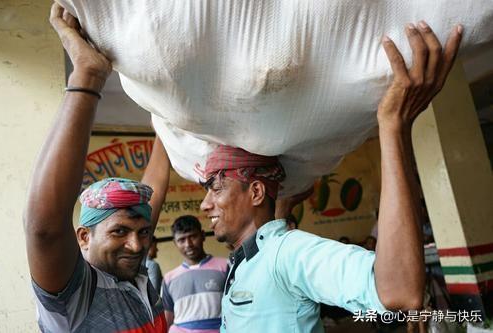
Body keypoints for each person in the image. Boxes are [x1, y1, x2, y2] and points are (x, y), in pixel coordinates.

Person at [197, 22, 463, 332]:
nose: (205, 204)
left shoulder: (287, 253)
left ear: (256, 193)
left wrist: (393, 127)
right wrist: (281, 205)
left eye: (215, 188)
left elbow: (400, 292)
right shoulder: (243, 262)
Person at [23, 3, 170, 332]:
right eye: (119, 231)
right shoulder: (73, 295)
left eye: (143, 233)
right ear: (84, 237)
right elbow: (43, 228)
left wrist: (167, 118)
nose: (136, 244)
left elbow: (155, 187)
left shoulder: (136, 274)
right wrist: (87, 77)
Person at [161, 215, 228, 333]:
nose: (188, 244)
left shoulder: (225, 266)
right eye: (181, 240)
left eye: (193, 237)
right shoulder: (169, 278)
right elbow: (168, 317)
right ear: (175, 243)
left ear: (203, 235)